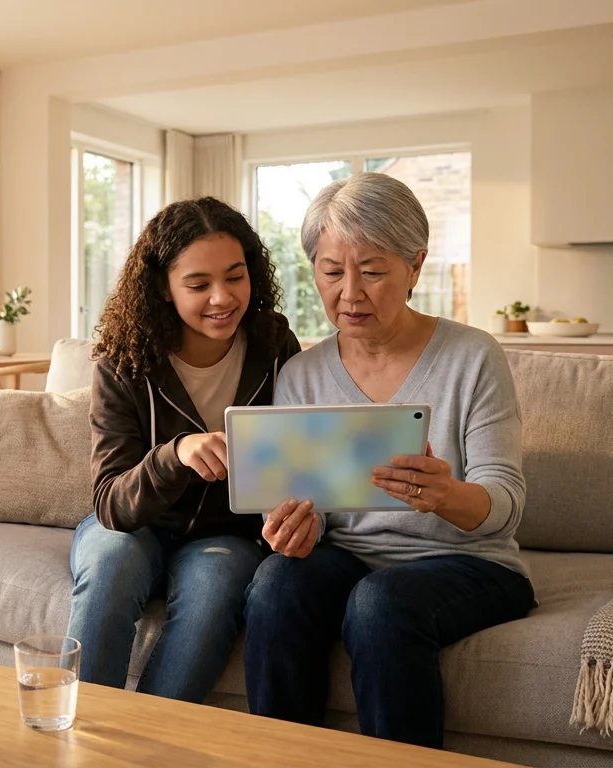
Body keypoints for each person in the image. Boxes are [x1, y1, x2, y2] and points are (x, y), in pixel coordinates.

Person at [242, 173, 535, 748]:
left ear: (415, 266)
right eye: (331, 272)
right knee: (275, 582)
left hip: (471, 562)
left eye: (372, 271)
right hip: (352, 558)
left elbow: (506, 505)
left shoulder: (474, 357)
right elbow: (314, 501)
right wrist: (297, 525)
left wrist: (449, 496)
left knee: (380, 604)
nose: (350, 293)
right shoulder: (301, 373)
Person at [67, 196, 301, 702]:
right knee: (110, 564)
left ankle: (148, 747)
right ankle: (81, 737)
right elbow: (111, 503)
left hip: (230, 536)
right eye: (198, 284)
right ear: (163, 288)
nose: (222, 297)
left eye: (235, 277)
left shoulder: (274, 345)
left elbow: (296, 457)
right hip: (134, 526)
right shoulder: (123, 360)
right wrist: (175, 454)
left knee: (215, 591)